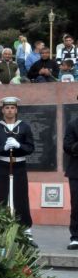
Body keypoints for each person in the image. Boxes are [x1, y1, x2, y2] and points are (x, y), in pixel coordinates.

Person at [0, 97, 35, 233]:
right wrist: (4, 147)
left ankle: (25, 229)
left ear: (16, 110)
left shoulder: (24, 126)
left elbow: (30, 148)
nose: (9, 110)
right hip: (2, 165)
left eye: (12, 108)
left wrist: (19, 145)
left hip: (19, 166)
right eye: (7, 108)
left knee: (21, 197)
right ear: (2, 110)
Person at [63, 98, 78, 249]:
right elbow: (67, 146)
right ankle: (75, 236)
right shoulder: (73, 124)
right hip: (76, 171)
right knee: (76, 204)